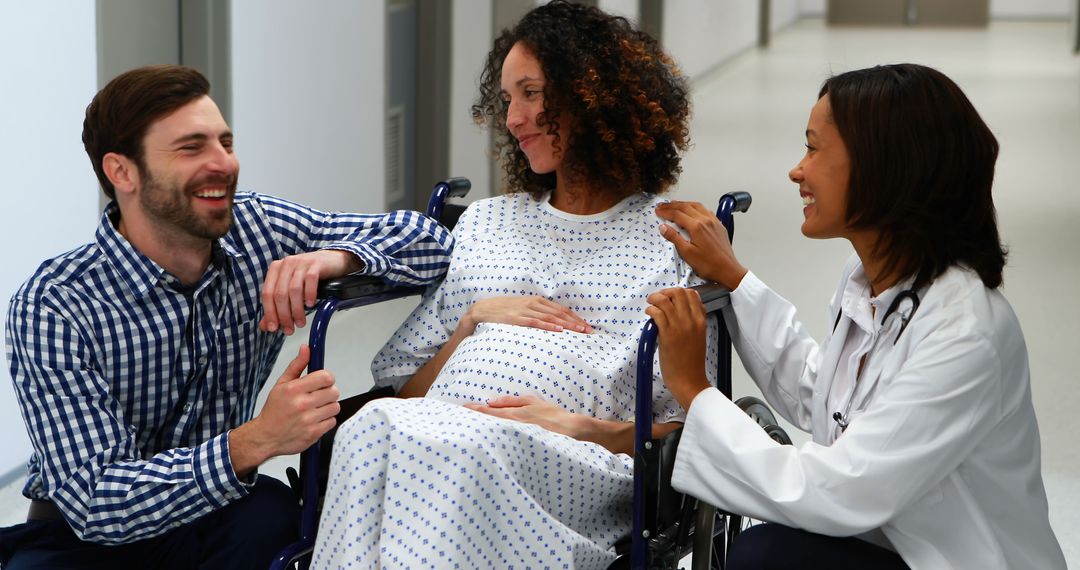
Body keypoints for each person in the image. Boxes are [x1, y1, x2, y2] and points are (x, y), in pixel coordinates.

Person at [0, 64, 453, 569]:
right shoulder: (55, 303)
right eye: (192, 147)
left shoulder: (257, 227)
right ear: (121, 172)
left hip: (217, 515)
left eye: (226, 143)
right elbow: (94, 499)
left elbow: (430, 239)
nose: (224, 164)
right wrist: (255, 441)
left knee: (276, 516)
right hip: (85, 539)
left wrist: (336, 258)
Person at [311, 2, 702, 567]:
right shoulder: (484, 222)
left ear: (594, 97)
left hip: (574, 459)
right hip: (444, 435)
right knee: (367, 428)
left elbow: (688, 428)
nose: (513, 118)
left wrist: (575, 425)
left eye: (532, 94)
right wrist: (470, 324)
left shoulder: (672, 239)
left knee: (460, 451)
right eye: (507, 99)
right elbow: (405, 397)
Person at [646, 63, 1066, 569]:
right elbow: (825, 396)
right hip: (893, 541)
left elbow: (842, 489)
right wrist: (737, 280)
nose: (796, 170)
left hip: (957, 558)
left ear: (882, 165)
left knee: (766, 558)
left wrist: (695, 391)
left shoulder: (965, 332)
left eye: (813, 147)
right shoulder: (871, 279)